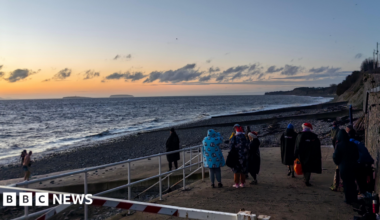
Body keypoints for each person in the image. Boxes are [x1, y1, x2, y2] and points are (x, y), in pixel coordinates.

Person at [333, 130, 359, 205]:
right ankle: (354, 198)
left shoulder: (339, 145)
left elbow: (335, 157)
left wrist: (338, 163)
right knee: (352, 182)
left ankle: (348, 199)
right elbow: (357, 155)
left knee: (346, 183)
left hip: (344, 166)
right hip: (353, 166)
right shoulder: (352, 144)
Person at [330, 121, 340, 191]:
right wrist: (332, 137)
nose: (333, 125)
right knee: (334, 147)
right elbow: (331, 133)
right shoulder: (332, 129)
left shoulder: (337, 130)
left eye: (334, 124)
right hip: (333, 140)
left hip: (335, 140)